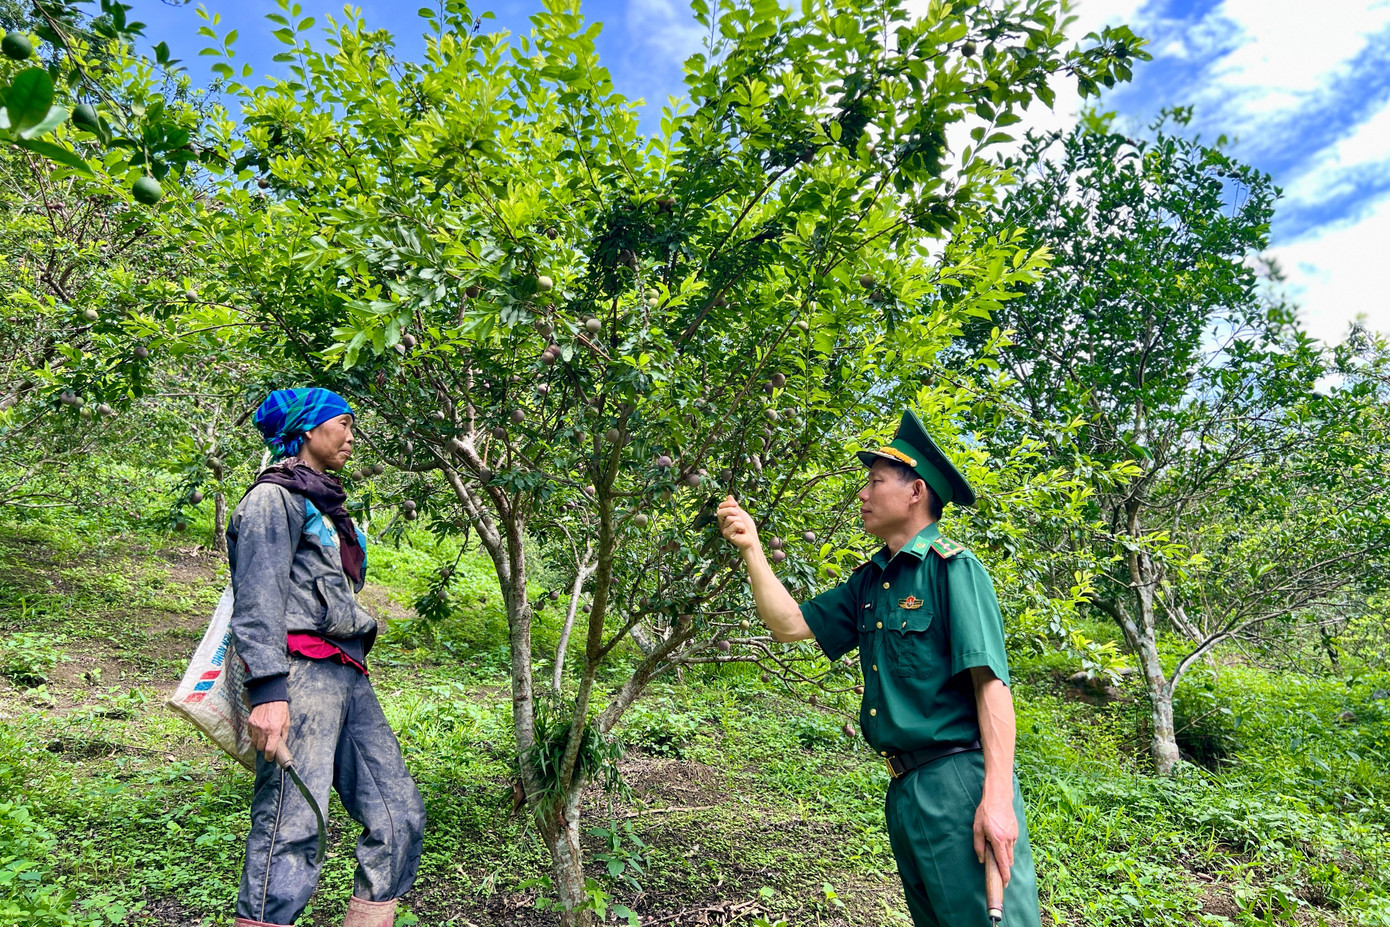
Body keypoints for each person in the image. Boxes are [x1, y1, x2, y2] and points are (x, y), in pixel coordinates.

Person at [717, 409, 1042, 927]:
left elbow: (991, 688)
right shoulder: (871, 582)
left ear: (916, 493)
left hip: (959, 781)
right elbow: (789, 624)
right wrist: (753, 548)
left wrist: (997, 801)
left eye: (875, 482)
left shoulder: (953, 569)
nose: (863, 495)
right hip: (905, 790)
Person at [228, 388, 425, 927]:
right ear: (309, 430)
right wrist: (268, 693)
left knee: (398, 812)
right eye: (344, 424)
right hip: (299, 671)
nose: (352, 437)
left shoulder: (321, 501)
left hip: (345, 670)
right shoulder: (274, 498)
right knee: (290, 825)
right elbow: (257, 599)